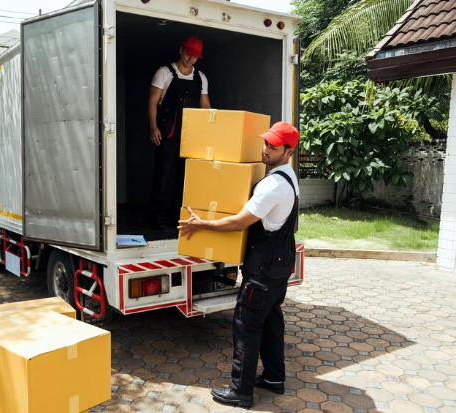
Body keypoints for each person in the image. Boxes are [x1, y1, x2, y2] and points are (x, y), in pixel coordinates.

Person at [178, 121, 300, 408]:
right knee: (270, 318)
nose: (266, 149)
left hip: (265, 264)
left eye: (273, 146)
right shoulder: (289, 177)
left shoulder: (272, 184)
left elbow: (239, 222)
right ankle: (273, 378)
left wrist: (202, 224)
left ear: (289, 151)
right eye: (266, 143)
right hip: (281, 260)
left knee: (246, 322)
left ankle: (241, 392)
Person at [148, 36, 211, 230]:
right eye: (189, 53)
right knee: (164, 176)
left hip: (191, 137)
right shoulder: (164, 73)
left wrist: (212, 131)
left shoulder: (200, 77)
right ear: (181, 49)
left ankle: (182, 217)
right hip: (167, 133)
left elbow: (205, 106)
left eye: (196, 56)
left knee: (186, 177)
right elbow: (152, 102)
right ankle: (159, 218)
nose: (192, 59)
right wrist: (153, 127)